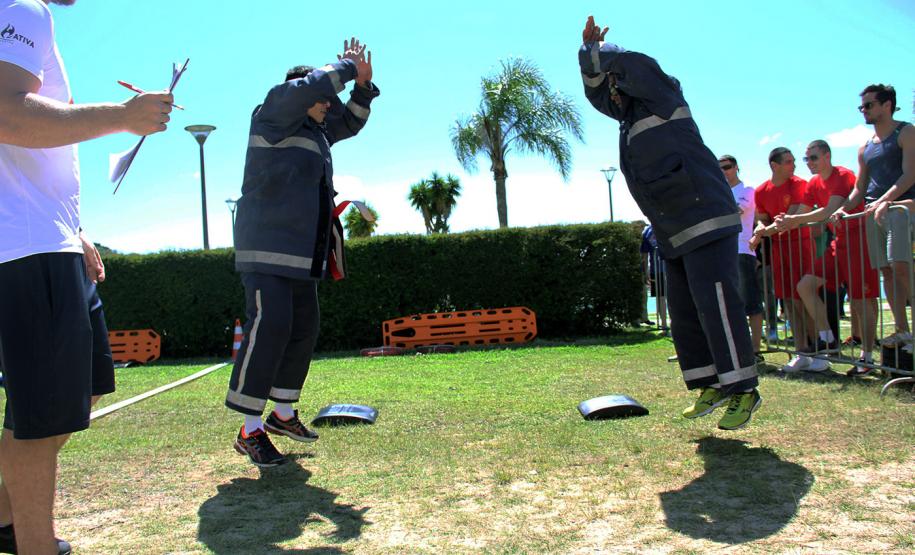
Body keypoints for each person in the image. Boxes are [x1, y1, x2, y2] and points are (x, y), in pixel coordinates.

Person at [0, 1, 171, 552]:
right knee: (43, 417)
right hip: (26, 249)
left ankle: (4, 514)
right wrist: (124, 116)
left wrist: (77, 231)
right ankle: (33, 545)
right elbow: (7, 114)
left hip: (51, 238)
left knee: (80, 393)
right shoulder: (20, 6)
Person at [578, 16, 760, 430]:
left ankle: (744, 390)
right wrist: (586, 61)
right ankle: (710, 383)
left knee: (716, 302)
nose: (612, 91)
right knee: (684, 311)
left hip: (705, 216)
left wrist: (599, 53)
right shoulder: (628, 118)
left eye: (614, 80)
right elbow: (598, 96)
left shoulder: (664, 95)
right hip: (672, 227)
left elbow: (632, 63)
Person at [227, 39, 379, 467]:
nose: (329, 107)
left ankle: (282, 414)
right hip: (267, 249)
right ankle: (249, 430)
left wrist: (363, 87)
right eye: (323, 100)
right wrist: (346, 67)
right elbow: (305, 89)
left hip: (302, 255)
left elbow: (352, 121)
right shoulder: (274, 113)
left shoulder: (315, 130)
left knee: (303, 327)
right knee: (270, 325)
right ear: (306, 93)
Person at [775, 140, 879, 376]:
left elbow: (828, 210)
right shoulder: (813, 183)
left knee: (862, 300)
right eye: (806, 159)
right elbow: (802, 211)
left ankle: (868, 356)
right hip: (838, 243)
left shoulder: (843, 175)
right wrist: (776, 225)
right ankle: (828, 341)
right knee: (805, 286)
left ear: (827, 156)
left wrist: (793, 221)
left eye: (813, 158)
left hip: (860, 240)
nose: (809, 163)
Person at [836, 84, 915, 354]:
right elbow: (860, 187)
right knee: (887, 271)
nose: (864, 111)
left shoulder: (906, 132)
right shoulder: (865, 148)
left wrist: (885, 201)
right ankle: (903, 330)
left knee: (902, 266)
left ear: (887, 105)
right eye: (862, 106)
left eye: (868, 105)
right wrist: (842, 208)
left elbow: (909, 175)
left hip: (901, 209)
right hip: (874, 213)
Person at [750, 147, 830, 373]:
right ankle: (802, 351)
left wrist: (761, 233)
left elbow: (790, 218)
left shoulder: (799, 184)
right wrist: (759, 229)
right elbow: (763, 220)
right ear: (774, 166)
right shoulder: (761, 190)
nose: (793, 165)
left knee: (805, 298)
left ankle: (819, 351)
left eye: (794, 161)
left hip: (800, 246)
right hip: (778, 249)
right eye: (788, 162)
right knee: (788, 300)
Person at [720, 155, 764, 361]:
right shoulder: (720, 191)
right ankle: (740, 349)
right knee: (731, 305)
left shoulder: (746, 191)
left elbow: (734, 213)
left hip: (742, 251)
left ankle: (755, 350)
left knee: (752, 303)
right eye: (719, 169)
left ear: (736, 167)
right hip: (724, 253)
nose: (724, 172)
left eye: (727, 167)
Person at [639, 225, 667, 330]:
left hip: (657, 269)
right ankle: (664, 325)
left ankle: (664, 325)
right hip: (660, 269)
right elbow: (645, 255)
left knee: (661, 297)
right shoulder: (650, 231)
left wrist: (646, 272)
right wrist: (646, 272)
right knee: (661, 297)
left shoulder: (647, 231)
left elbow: (644, 255)